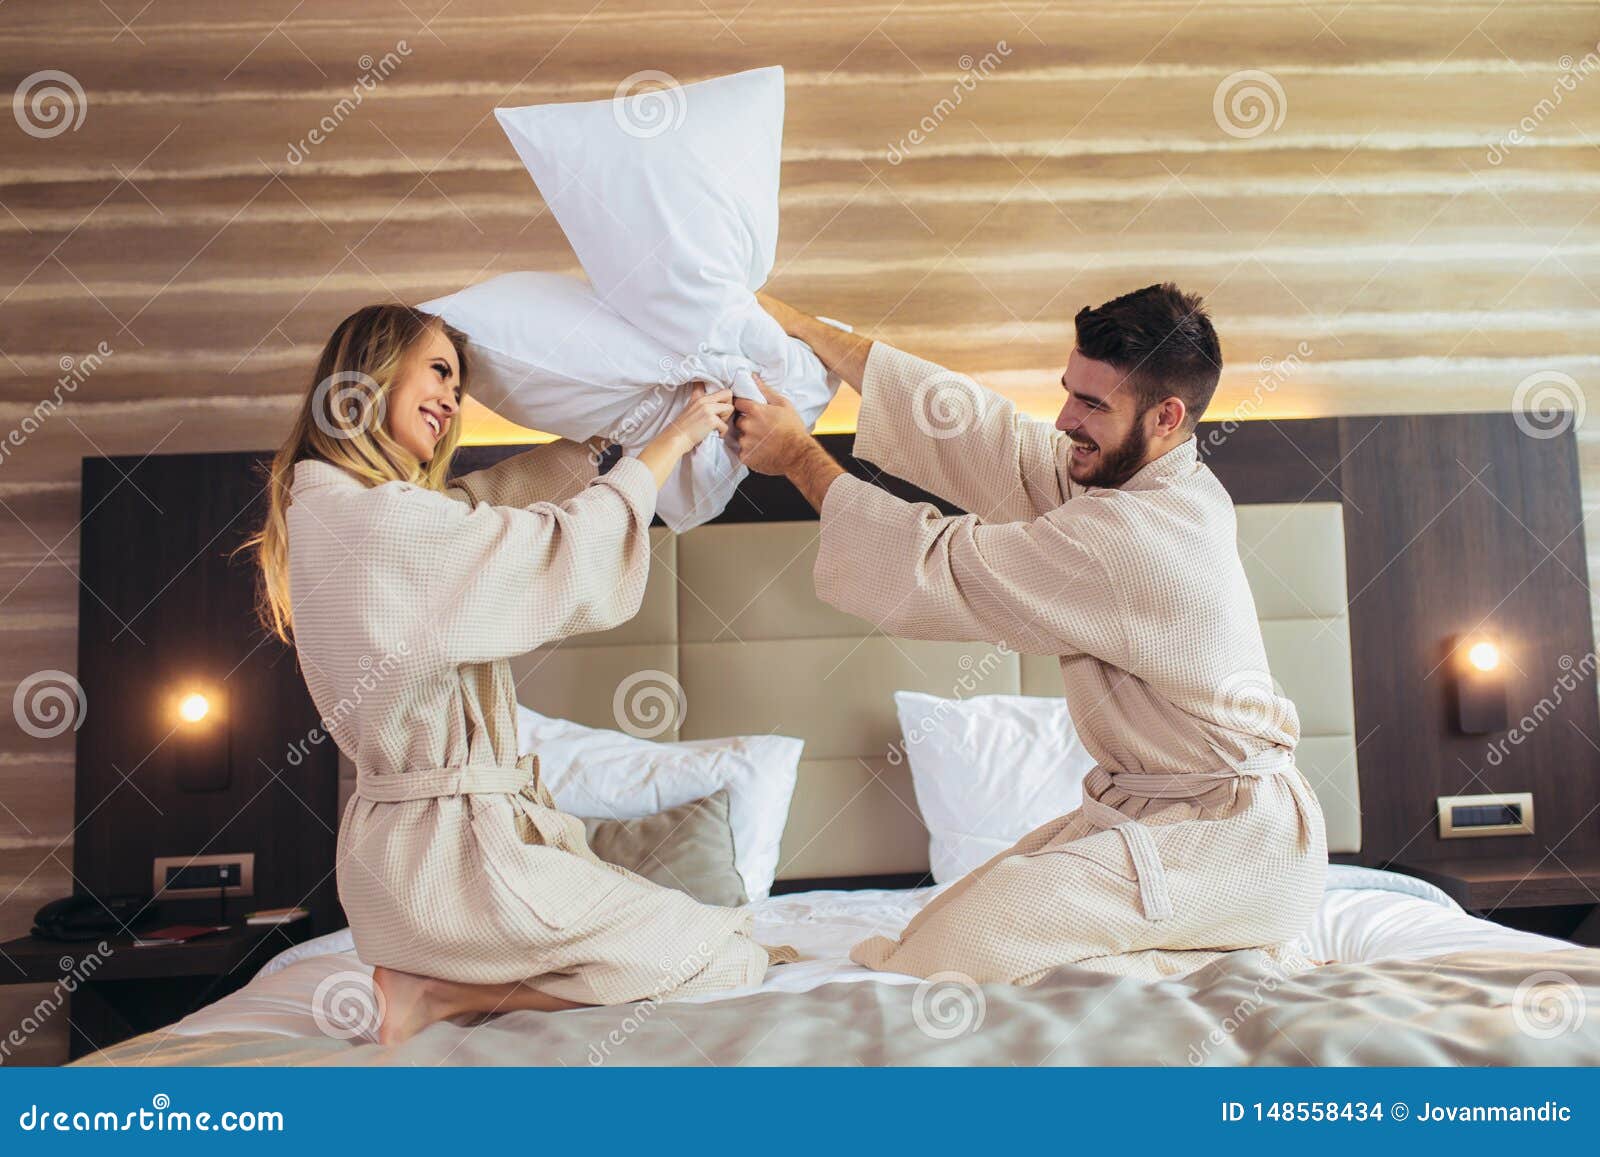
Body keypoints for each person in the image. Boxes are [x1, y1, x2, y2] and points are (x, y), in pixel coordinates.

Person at [732, 284, 1327, 983]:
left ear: (1167, 415)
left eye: (1093, 405)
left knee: (945, 958)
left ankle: (1221, 950)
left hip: (1232, 844)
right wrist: (806, 327)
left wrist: (799, 457)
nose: (1066, 418)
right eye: (1069, 391)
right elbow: (987, 436)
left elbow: (939, 564)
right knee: (946, 917)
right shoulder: (1142, 480)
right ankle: (1212, 947)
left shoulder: (1132, 535)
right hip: (1177, 819)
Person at [250, 304, 792, 1044]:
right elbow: (549, 546)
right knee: (724, 959)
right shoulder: (379, 525)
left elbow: (483, 505)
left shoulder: (344, 511)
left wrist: (604, 437)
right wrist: (673, 437)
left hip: (405, 867)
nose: (451, 399)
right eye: (438, 370)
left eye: (458, 384)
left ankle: (434, 979)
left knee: (697, 941)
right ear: (369, 372)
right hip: (458, 866)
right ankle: (436, 993)